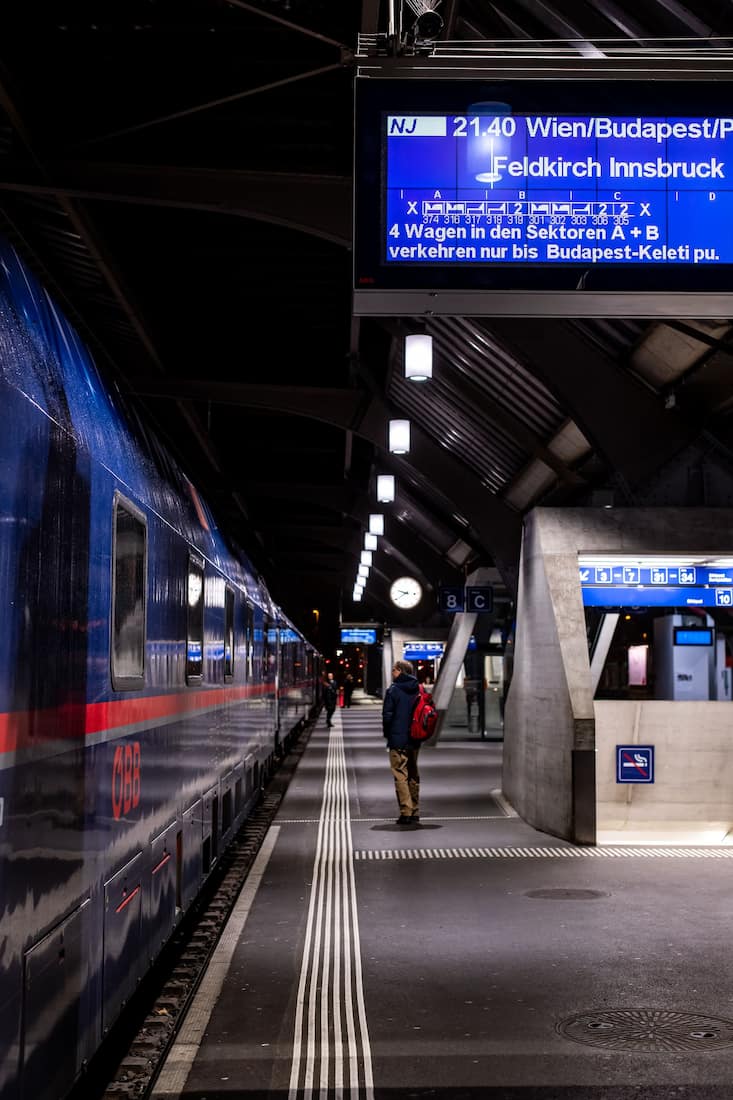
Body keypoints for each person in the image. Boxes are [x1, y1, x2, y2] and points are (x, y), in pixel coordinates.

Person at [382, 659, 421, 826]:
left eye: (394, 670)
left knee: (400, 774)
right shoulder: (418, 688)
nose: (392, 673)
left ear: (400, 671)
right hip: (415, 737)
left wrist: (388, 735)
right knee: (413, 774)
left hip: (398, 738)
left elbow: (387, 716)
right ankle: (415, 811)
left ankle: (406, 811)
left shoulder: (393, 690)